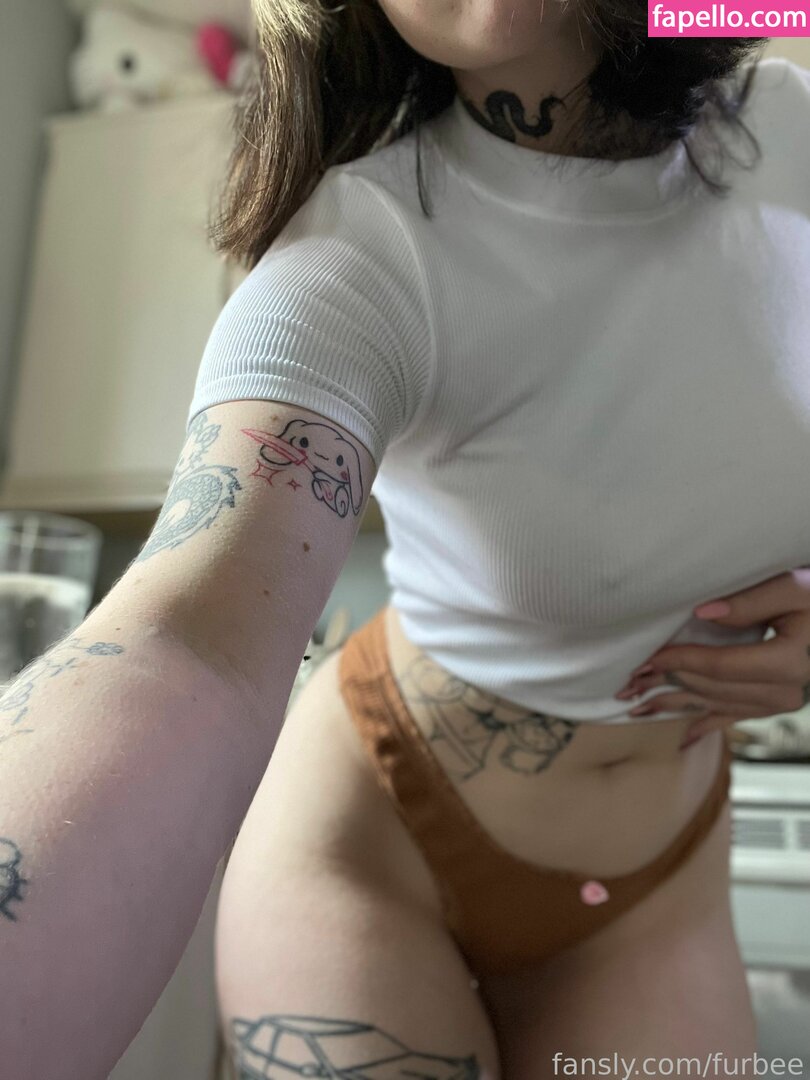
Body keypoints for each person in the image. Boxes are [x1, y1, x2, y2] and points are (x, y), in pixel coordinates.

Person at [1, 0, 808, 1073]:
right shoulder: (363, 250)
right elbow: (186, 636)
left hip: (657, 890)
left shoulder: (790, 118)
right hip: (370, 853)